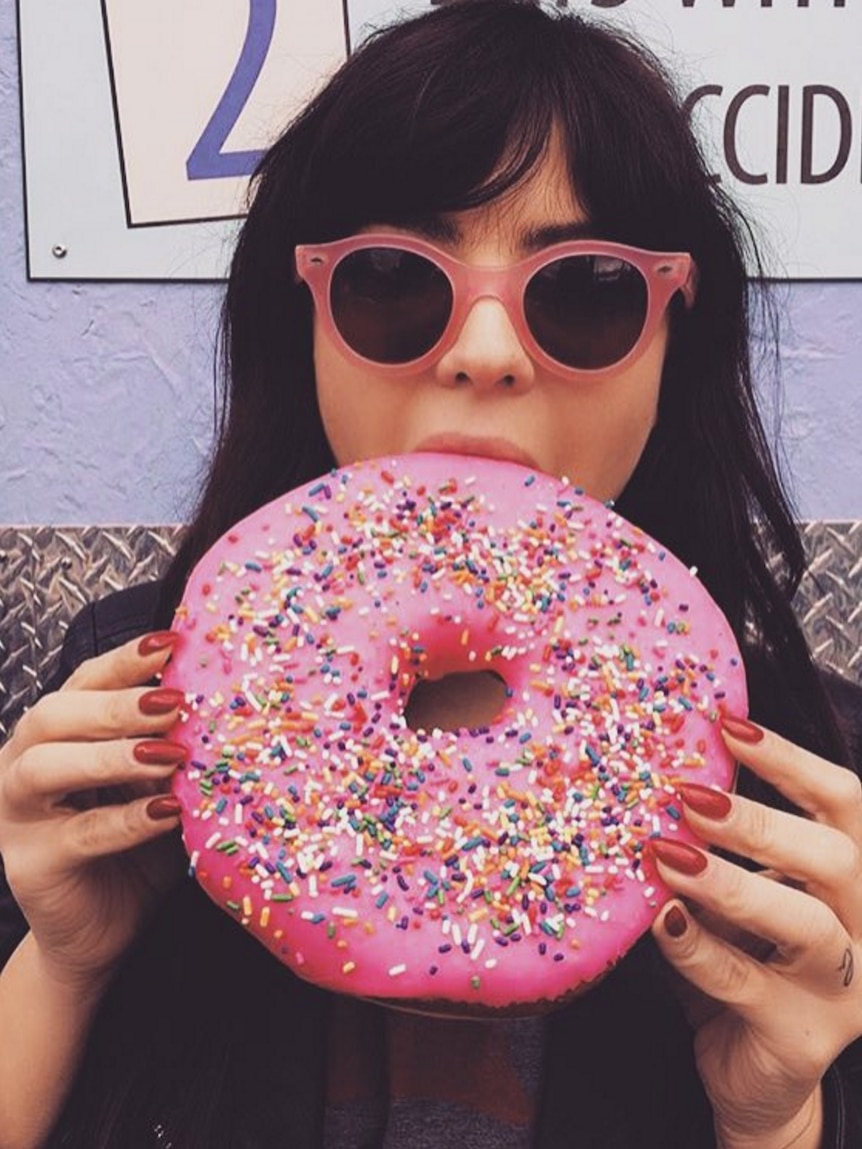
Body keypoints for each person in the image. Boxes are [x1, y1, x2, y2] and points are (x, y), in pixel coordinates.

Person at [1, 1, 861, 1146]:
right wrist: (61, 964)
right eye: (394, 285)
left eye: (587, 291)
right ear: (299, 326)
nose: (488, 353)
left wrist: (774, 1116)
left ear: (671, 348)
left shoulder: (803, 795)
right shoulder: (135, 702)